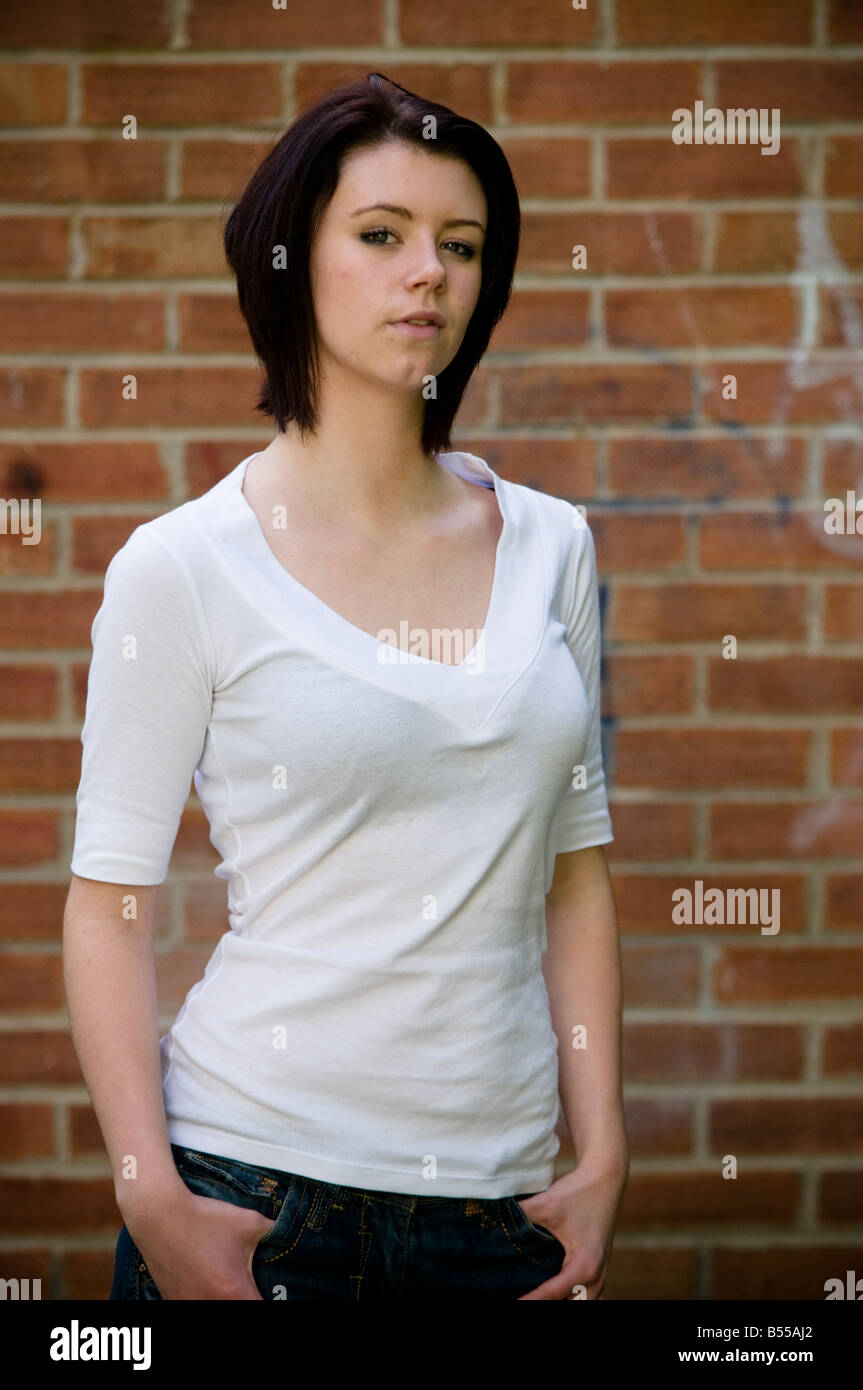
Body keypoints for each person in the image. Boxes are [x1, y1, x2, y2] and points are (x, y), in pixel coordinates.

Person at [62, 72, 628, 1302]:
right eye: (380, 235)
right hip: (253, 1195)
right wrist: (148, 1192)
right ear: (289, 262)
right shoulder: (182, 566)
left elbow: (574, 870)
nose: (427, 271)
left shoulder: (551, 548)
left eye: (459, 245)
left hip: (501, 1208)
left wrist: (605, 1147)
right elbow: (108, 902)